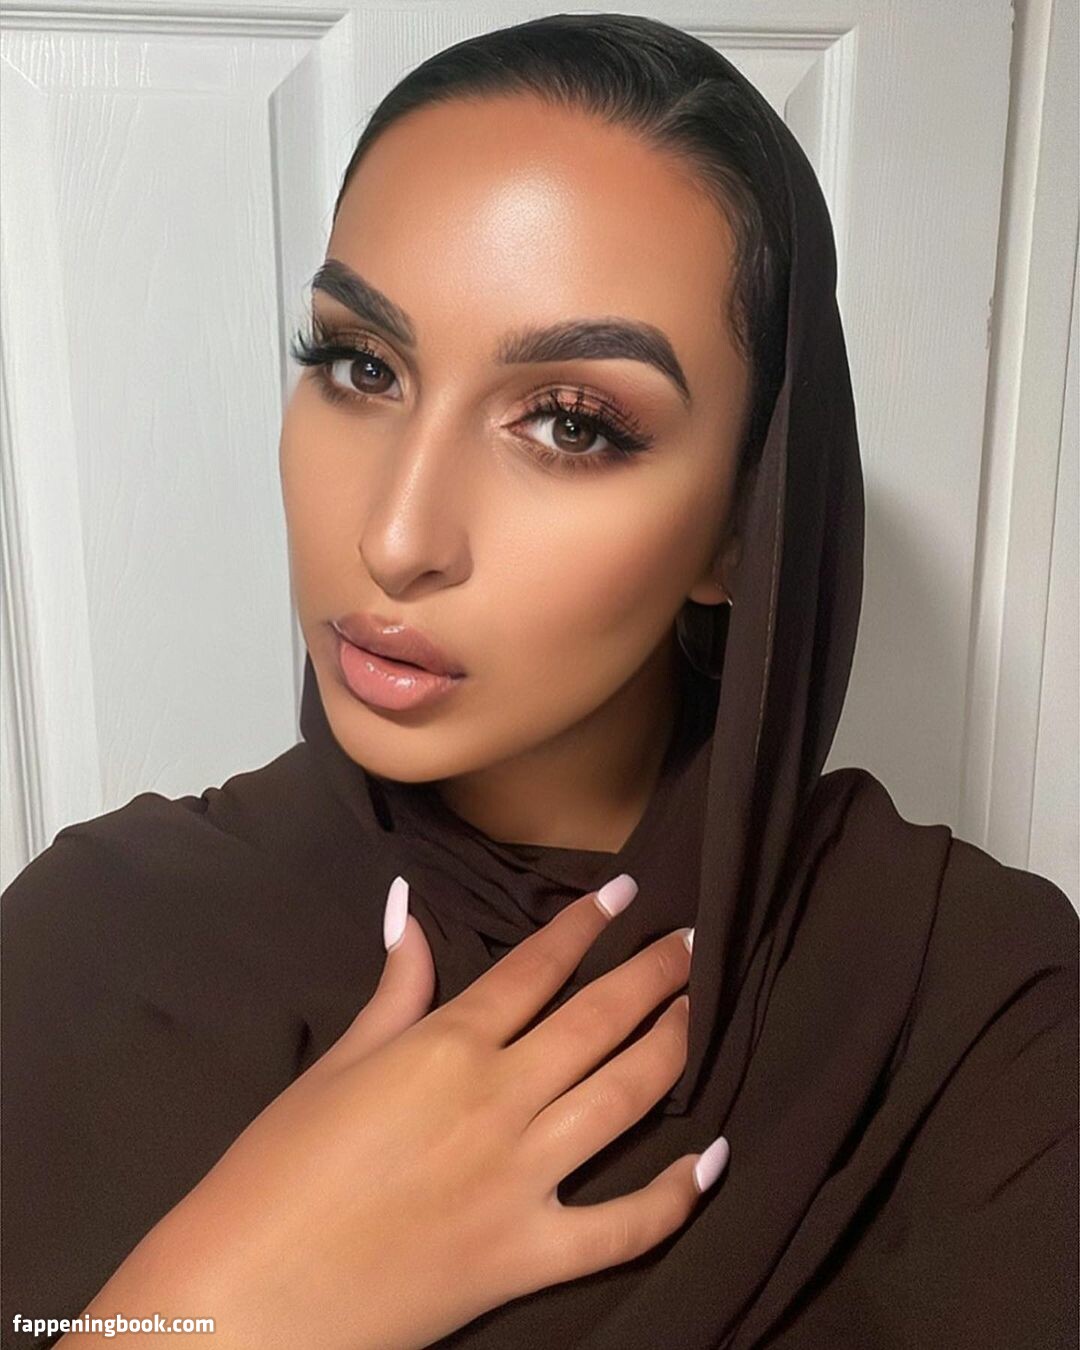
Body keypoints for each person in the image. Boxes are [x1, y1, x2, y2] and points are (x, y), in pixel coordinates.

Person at [2, 13, 1076, 1349]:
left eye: (571, 423)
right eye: (362, 365)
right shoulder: (90, 945)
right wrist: (231, 1307)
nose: (396, 535)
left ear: (745, 522)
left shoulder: (963, 1007)